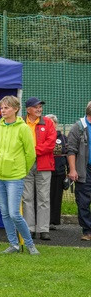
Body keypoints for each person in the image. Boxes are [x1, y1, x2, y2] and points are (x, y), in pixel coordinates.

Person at [0, 95, 40, 255]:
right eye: (1, 108)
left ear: (16, 109)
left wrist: (21, 171)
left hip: (15, 177)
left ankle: (30, 245)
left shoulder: (23, 128)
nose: (3, 110)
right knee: (5, 213)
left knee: (14, 213)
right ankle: (14, 244)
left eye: (6, 107)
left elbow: (30, 154)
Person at [22, 97, 56, 241]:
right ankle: (29, 229)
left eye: (40, 107)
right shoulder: (21, 123)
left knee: (43, 197)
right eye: (36, 107)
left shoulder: (48, 122)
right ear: (28, 109)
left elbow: (51, 143)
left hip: (44, 164)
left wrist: (32, 152)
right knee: (27, 197)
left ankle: (43, 229)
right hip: (25, 164)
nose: (39, 109)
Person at [66, 101, 91, 241]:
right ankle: (87, 231)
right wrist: (73, 170)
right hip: (84, 169)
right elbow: (71, 150)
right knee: (83, 201)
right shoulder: (78, 127)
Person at [45, 114, 67, 230]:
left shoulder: (63, 138)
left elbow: (68, 154)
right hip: (45, 171)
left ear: (56, 124)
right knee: (45, 198)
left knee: (56, 197)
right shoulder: (43, 137)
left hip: (59, 172)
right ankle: (44, 221)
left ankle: (54, 221)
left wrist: (69, 171)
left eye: (52, 123)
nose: (50, 125)